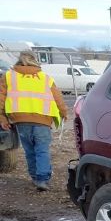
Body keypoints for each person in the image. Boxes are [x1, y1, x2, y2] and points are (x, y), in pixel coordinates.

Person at [0, 51, 68, 191]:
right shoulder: (45, 78)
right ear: (35, 60)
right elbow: (58, 98)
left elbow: (1, 99)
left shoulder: (8, 76)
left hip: (20, 120)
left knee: (29, 150)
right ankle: (42, 179)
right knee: (42, 150)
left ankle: (35, 177)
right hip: (43, 119)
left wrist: (2, 118)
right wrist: (63, 113)